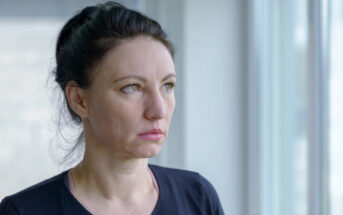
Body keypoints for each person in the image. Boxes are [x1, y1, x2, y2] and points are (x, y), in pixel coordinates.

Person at [0, 2, 224, 214]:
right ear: (79, 100)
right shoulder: (25, 211)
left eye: (167, 85)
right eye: (131, 87)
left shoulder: (197, 198)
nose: (159, 111)